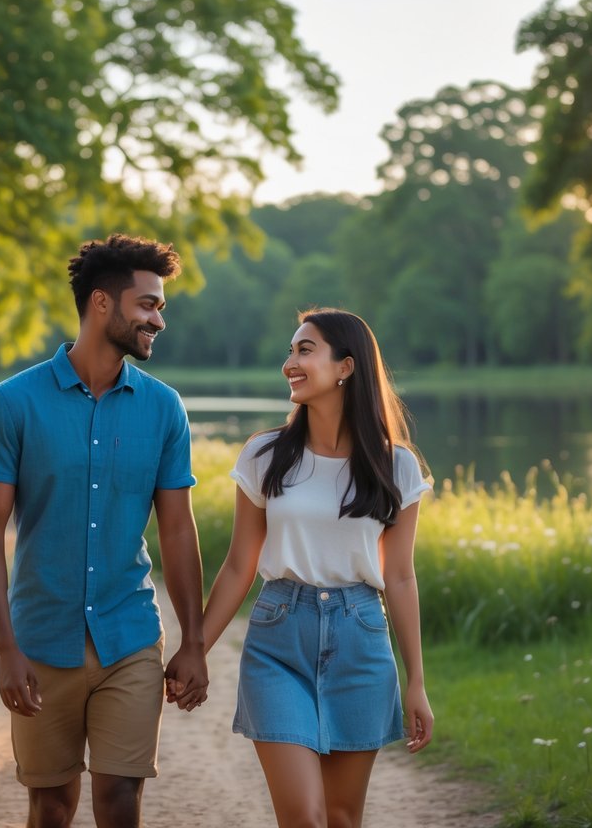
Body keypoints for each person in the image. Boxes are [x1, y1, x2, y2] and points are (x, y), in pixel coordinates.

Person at [0, 234, 208, 828]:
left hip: (129, 637)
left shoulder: (163, 408)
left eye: (160, 307)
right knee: (50, 804)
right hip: (41, 640)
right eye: (148, 305)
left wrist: (194, 641)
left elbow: (178, 531)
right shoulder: (12, 403)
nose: (158, 319)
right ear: (102, 303)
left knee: (121, 798)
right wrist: (5, 647)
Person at [199, 307, 434, 828]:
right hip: (279, 640)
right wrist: (196, 649)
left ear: (346, 366)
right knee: (304, 816)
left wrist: (416, 681)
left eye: (305, 350)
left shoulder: (398, 466)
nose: (290, 363)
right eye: (291, 350)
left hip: (362, 641)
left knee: (343, 817)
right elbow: (240, 564)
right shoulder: (265, 455)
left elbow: (398, 576)